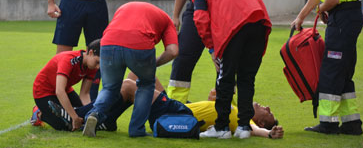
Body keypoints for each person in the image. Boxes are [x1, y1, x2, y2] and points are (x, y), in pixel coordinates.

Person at [287, 0, 363, 135]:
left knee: (330, 69)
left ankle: (328, 124)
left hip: (344, 18)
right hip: (345, 17)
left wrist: (320, 11)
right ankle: (352, 124)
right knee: (343, 71)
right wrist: (301, 16)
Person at [190, 0, 272, 139]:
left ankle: (221, 128)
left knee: (225, 78)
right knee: (246, 78)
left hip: (233, 28)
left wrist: (212, 49)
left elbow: (200, 19)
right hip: (259, 24)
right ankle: (243, 127)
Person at [49, 78, 284, 139]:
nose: (266, 106)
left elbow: (255, 131)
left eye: (267, 111)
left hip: (178, 113)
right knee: (135, 79)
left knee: (129, 86)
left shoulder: (245, 122)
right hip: (180, 107)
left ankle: (80, 116)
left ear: (261, 121)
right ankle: (104, 120)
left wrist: (270, 133)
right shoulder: (233, 110)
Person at [82, 2, 179, 138]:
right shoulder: (168, 21)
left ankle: (94, 114)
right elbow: (173, 51)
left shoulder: (123, 7)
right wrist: (153, 64)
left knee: (109, 88)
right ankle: (136, 129)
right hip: (139, 44)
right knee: (146, 85)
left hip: (108, 42)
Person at [31, 39, 100, 131]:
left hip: (65, 90)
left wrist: (89, 113)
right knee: (65, 126)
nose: (98, 67)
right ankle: (39, 113)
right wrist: (74, 117)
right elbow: (59, 91)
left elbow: (85, 94)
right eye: (97, 62)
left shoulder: (92, 67)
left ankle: (62, 111)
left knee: (81, 115)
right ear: (90, 52)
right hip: (44, 91)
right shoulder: (68, 60)